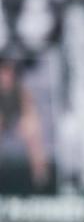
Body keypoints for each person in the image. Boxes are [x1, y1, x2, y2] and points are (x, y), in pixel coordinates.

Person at [0, 59, 50, 188]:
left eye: (7, 73)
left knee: (32, 128)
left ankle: (40, 174)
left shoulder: (20, 90)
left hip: (16, 121)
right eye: (2, 74)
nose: (4, 78)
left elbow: (29, 111)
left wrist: (26, 123)